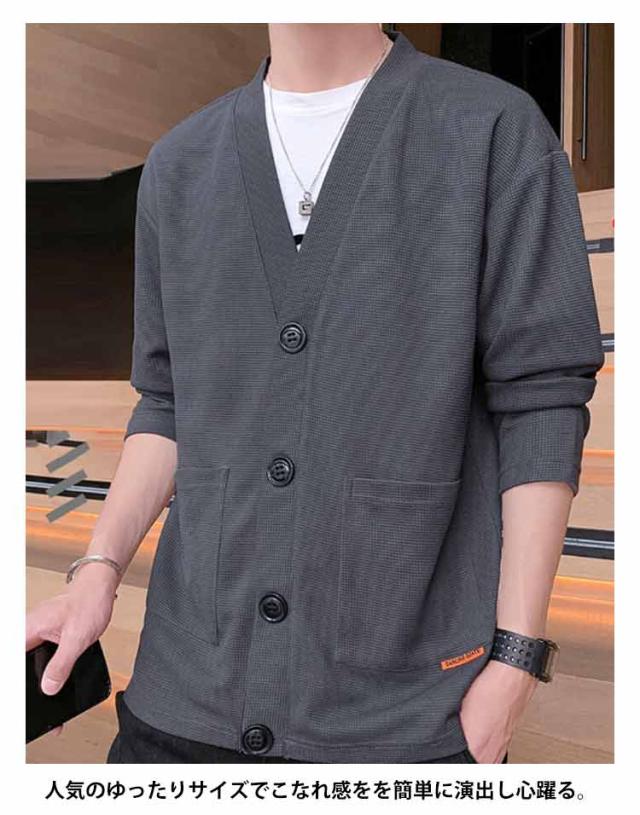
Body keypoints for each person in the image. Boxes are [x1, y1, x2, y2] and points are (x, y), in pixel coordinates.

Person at [26, 23, 604, 764]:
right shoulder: (180, 162)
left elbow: (541, 400)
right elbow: (167, 401)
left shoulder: (491, 129)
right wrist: (97, 573)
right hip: (182, 693)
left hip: (403, 709)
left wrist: (517, 658)